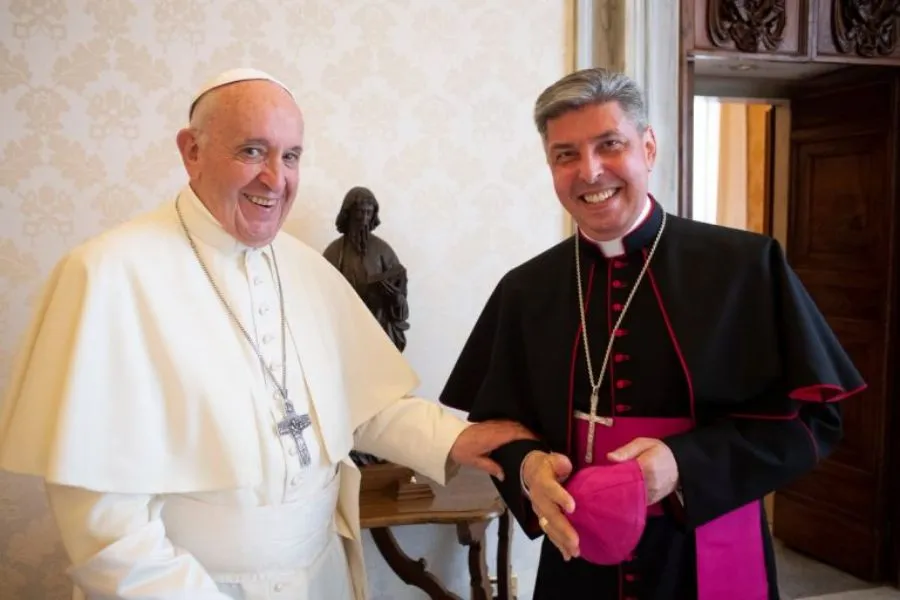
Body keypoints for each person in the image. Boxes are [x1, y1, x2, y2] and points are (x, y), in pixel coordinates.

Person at [0, 68, 534, 600]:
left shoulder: (306, 269)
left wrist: (454, 437)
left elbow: (364, 405)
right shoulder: (107, 274)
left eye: (291, 156)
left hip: (323, 576)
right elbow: (103, 525)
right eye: (252, 151)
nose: (276, 179)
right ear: (191, 151)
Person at [439, 67, 866, 599]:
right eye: (565, 154)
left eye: (609, 144)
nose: (590, 171)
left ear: (648, 146)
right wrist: (528, 469)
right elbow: (499, 427)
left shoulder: (743, 267)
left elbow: (815, 419)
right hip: (579, 559)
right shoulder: (527, 289)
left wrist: (683, 464)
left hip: (704, 549)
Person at [323, 186, 410, 352]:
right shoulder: (334, 252)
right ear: (348, 214)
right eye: (360, 212)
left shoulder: (383, 251)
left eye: (368, 213)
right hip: (344, 333)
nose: (364, 219)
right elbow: (321, 297)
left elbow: (401, 302)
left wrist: (397, 299)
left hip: (378, 332)